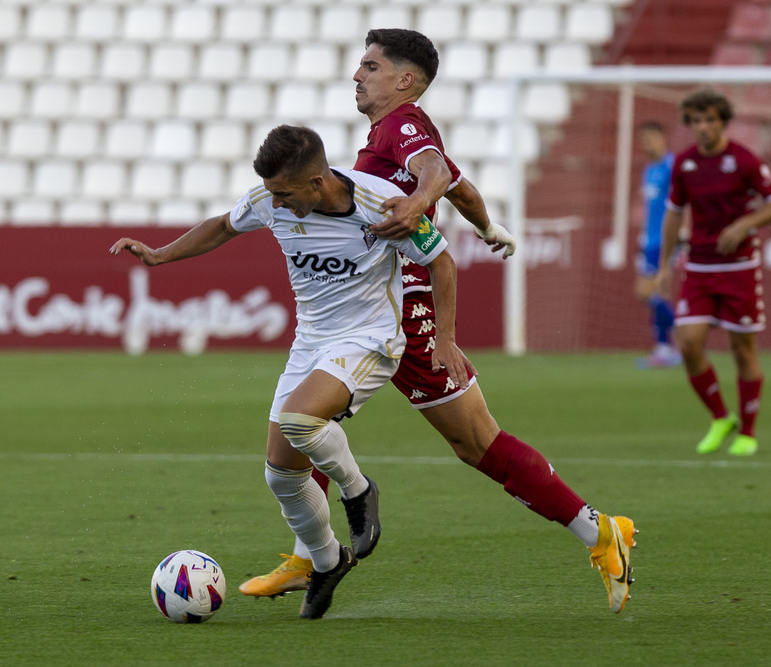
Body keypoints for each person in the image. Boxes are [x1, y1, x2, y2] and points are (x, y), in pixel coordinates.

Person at [239, 29, 637, 615]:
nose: (358, 74)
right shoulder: (389, 134)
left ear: (404, 79)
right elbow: (455, 180)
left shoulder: (404, 127)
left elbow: (431, 172)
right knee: (324, 415)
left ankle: (601, 532)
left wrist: (424, 203)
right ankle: (309, 555)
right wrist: (487, 226)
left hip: (405, 305)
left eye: (371, 66)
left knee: (474, 440)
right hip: (384, 299)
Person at [112, 125, 468, 620]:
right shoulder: (269, 198)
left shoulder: (381, 205)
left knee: (302, 422)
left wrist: (444, 340)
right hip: (311, 345)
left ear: (318, 182)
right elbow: (221, 225)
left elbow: (442, 263)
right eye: (271, 193)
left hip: (369, 339)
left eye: (284, 194)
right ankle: (327, 561)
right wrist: (160, 254)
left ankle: (358, 490)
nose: (274, 205)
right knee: (280, 473)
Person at [658, 89, 771, 456]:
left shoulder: (744, 160)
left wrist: (744, 223)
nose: (703, 127)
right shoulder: (684, 164)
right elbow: (673, 213)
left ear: (722, 122)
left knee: (742, 349)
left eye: (710, 120)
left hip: (739, 267)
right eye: (696, 121)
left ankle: (747, 431)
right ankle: (721, 417)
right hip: (699, 265)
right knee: (687, 342)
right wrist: (665, 264)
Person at [634, 122, 680, 369]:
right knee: (655, 294)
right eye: (645, 138)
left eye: (652, 137)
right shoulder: (649, 169)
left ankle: (681, 336)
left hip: (665, 240)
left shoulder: (672, 166)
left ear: (663, 138)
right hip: (650, 240)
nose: (648, 143)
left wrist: (683, 234)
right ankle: (664, 348)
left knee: (646, 291)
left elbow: (684, 201)